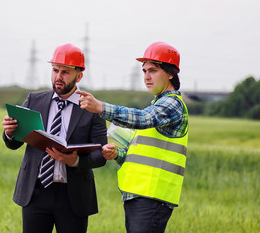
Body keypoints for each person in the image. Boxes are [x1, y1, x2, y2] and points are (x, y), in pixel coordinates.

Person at [77, 42, 188, 233]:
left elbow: (144, 119)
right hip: (138, 196)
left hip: (152, 197)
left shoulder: (172, 104)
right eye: (144, 71)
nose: (146, 76)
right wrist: (118, 154)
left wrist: (101, 107)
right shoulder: (156, 105)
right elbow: (140, 153)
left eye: (153, 70)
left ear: (171, 73)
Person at [2, 43, 107, 233]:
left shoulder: (92, 108)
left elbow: (101, 155)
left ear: (79, 75)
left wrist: (75, 161)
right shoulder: (34, 100)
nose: (58, 77)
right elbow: (14, 143)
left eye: (65, 72)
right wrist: (9, 133)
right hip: (35, 192)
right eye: (55, 70)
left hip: (73, 196)